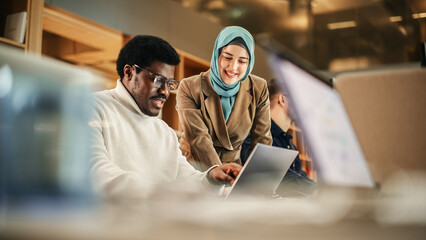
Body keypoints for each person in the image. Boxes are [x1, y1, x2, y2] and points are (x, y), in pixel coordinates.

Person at [89, 35, 241, 200]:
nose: (165, 92)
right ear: (129, 72)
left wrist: (211, 177)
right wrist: (156, 193)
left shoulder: (164, 131)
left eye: (170, 83)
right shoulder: (93, 107)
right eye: (157, 80)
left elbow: (184, 177)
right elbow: (95, 170)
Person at [176, 26, 272, 171]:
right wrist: (220, 178)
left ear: (249, 63)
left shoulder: (259, 88)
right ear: (217, 54)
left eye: (242, 61)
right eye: (227, 57)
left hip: (232, 170)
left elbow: (262, 141)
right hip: (194, 169)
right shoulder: (189, 87)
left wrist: (259, 180)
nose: (233, 67)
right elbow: (199, 140)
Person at [240, 79, 316, 197]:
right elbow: (273, 175)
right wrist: (315, 190)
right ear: (283, 99)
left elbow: (300, 176)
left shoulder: (289, 144)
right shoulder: (257, 135)